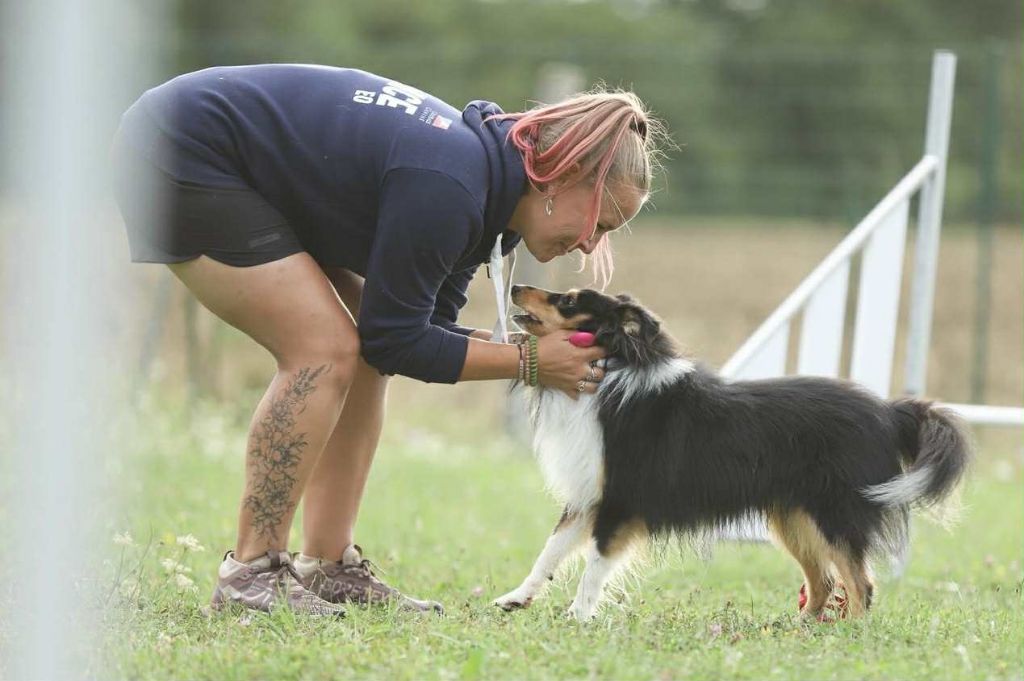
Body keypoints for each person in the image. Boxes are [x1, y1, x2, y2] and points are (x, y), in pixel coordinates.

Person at [111, 64, 661, 616]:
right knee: (323, 350)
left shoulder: (488, 197)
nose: (591, 245)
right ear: (562, 177)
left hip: (234, 162)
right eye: (601, 222)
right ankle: (250, 575)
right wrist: (531, 362)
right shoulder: (451, 184)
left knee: (364, 354)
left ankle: (328, 567)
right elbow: (402, 338)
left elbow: (414, 335)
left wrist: (538, 358)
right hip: (183, 147)